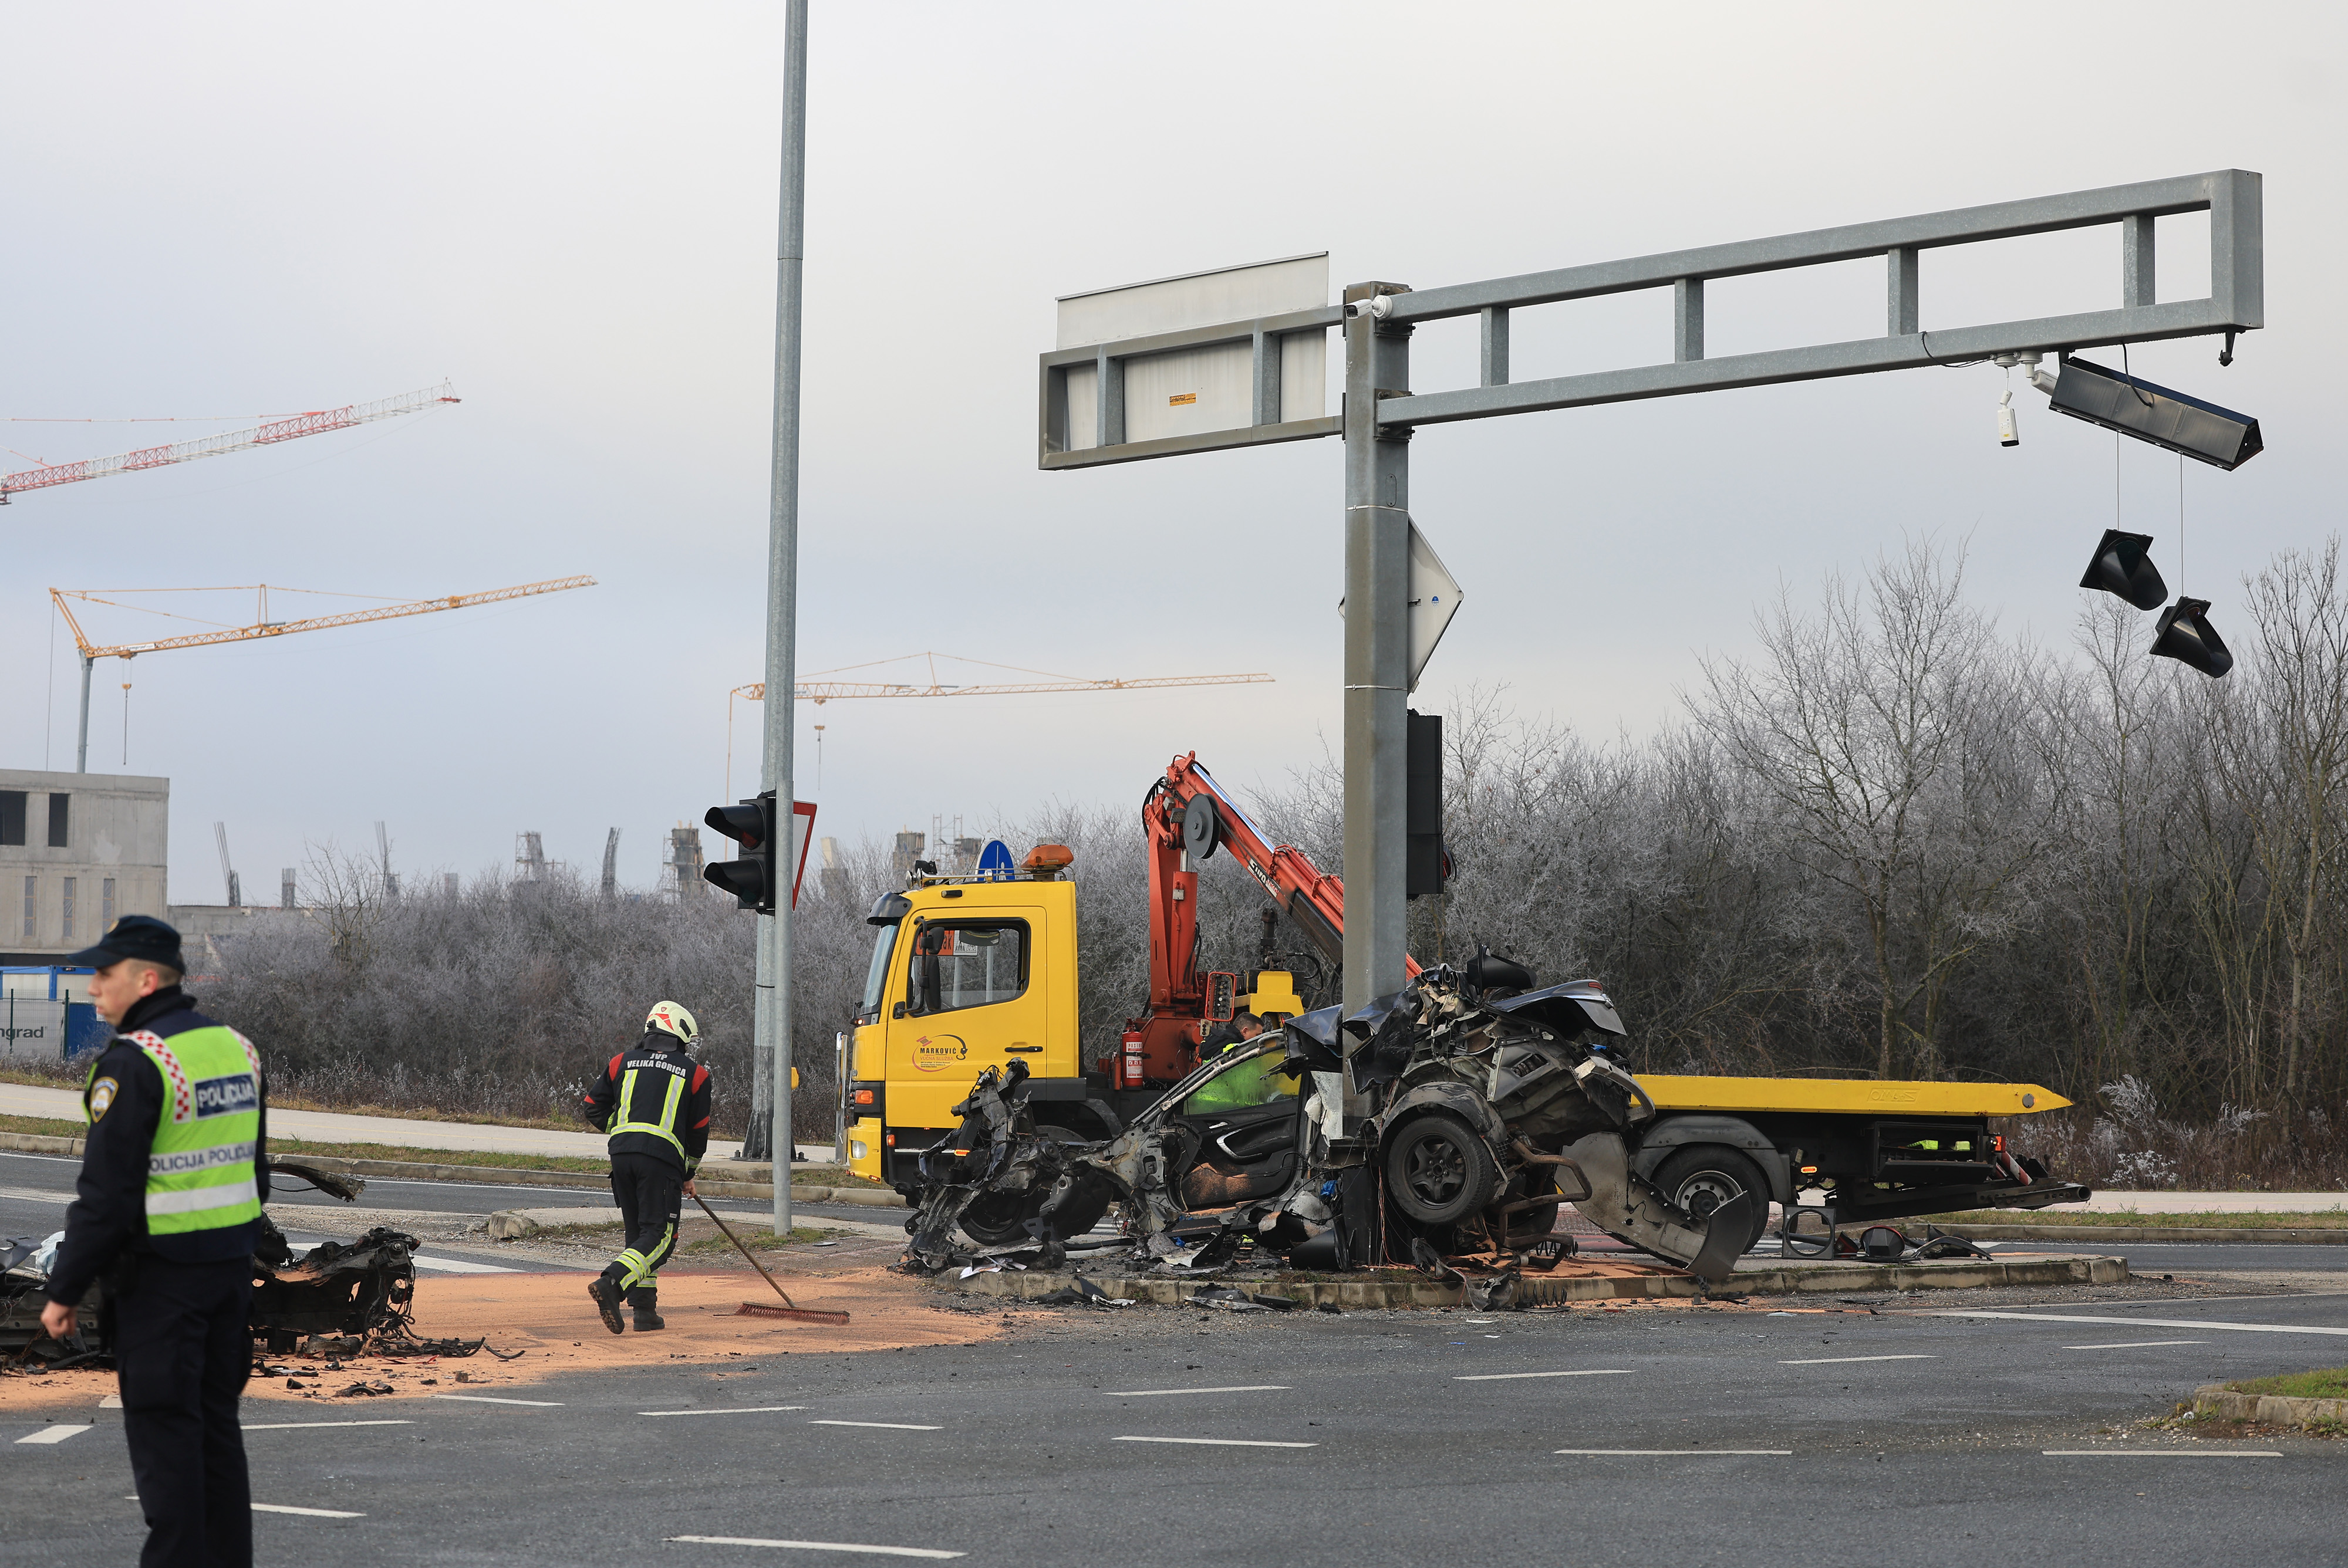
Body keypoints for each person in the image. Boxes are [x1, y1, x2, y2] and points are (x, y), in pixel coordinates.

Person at [40, 915, 268, 1568]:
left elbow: (106, 1198)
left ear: (145, 979)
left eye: (103, 974)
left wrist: (64, 1290)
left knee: (168, 1444)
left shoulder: (136, 1061)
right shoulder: (238, 1048)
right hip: (227, 1280)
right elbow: (255, 1173)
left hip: (162, 1287)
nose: (92, 989)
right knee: (217, 1435)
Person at [579, 1001, 711, 1334]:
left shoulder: (619, 1063)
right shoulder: (696, 1074)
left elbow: (593, 1108)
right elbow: (698, 1134)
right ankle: (612, 1283)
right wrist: (688, 1173)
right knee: (661, 1238)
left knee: (640, 1234)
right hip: (661, 1161)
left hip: (621, 1156)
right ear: (680, 1035)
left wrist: (626, 1131)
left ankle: (645, 1311)